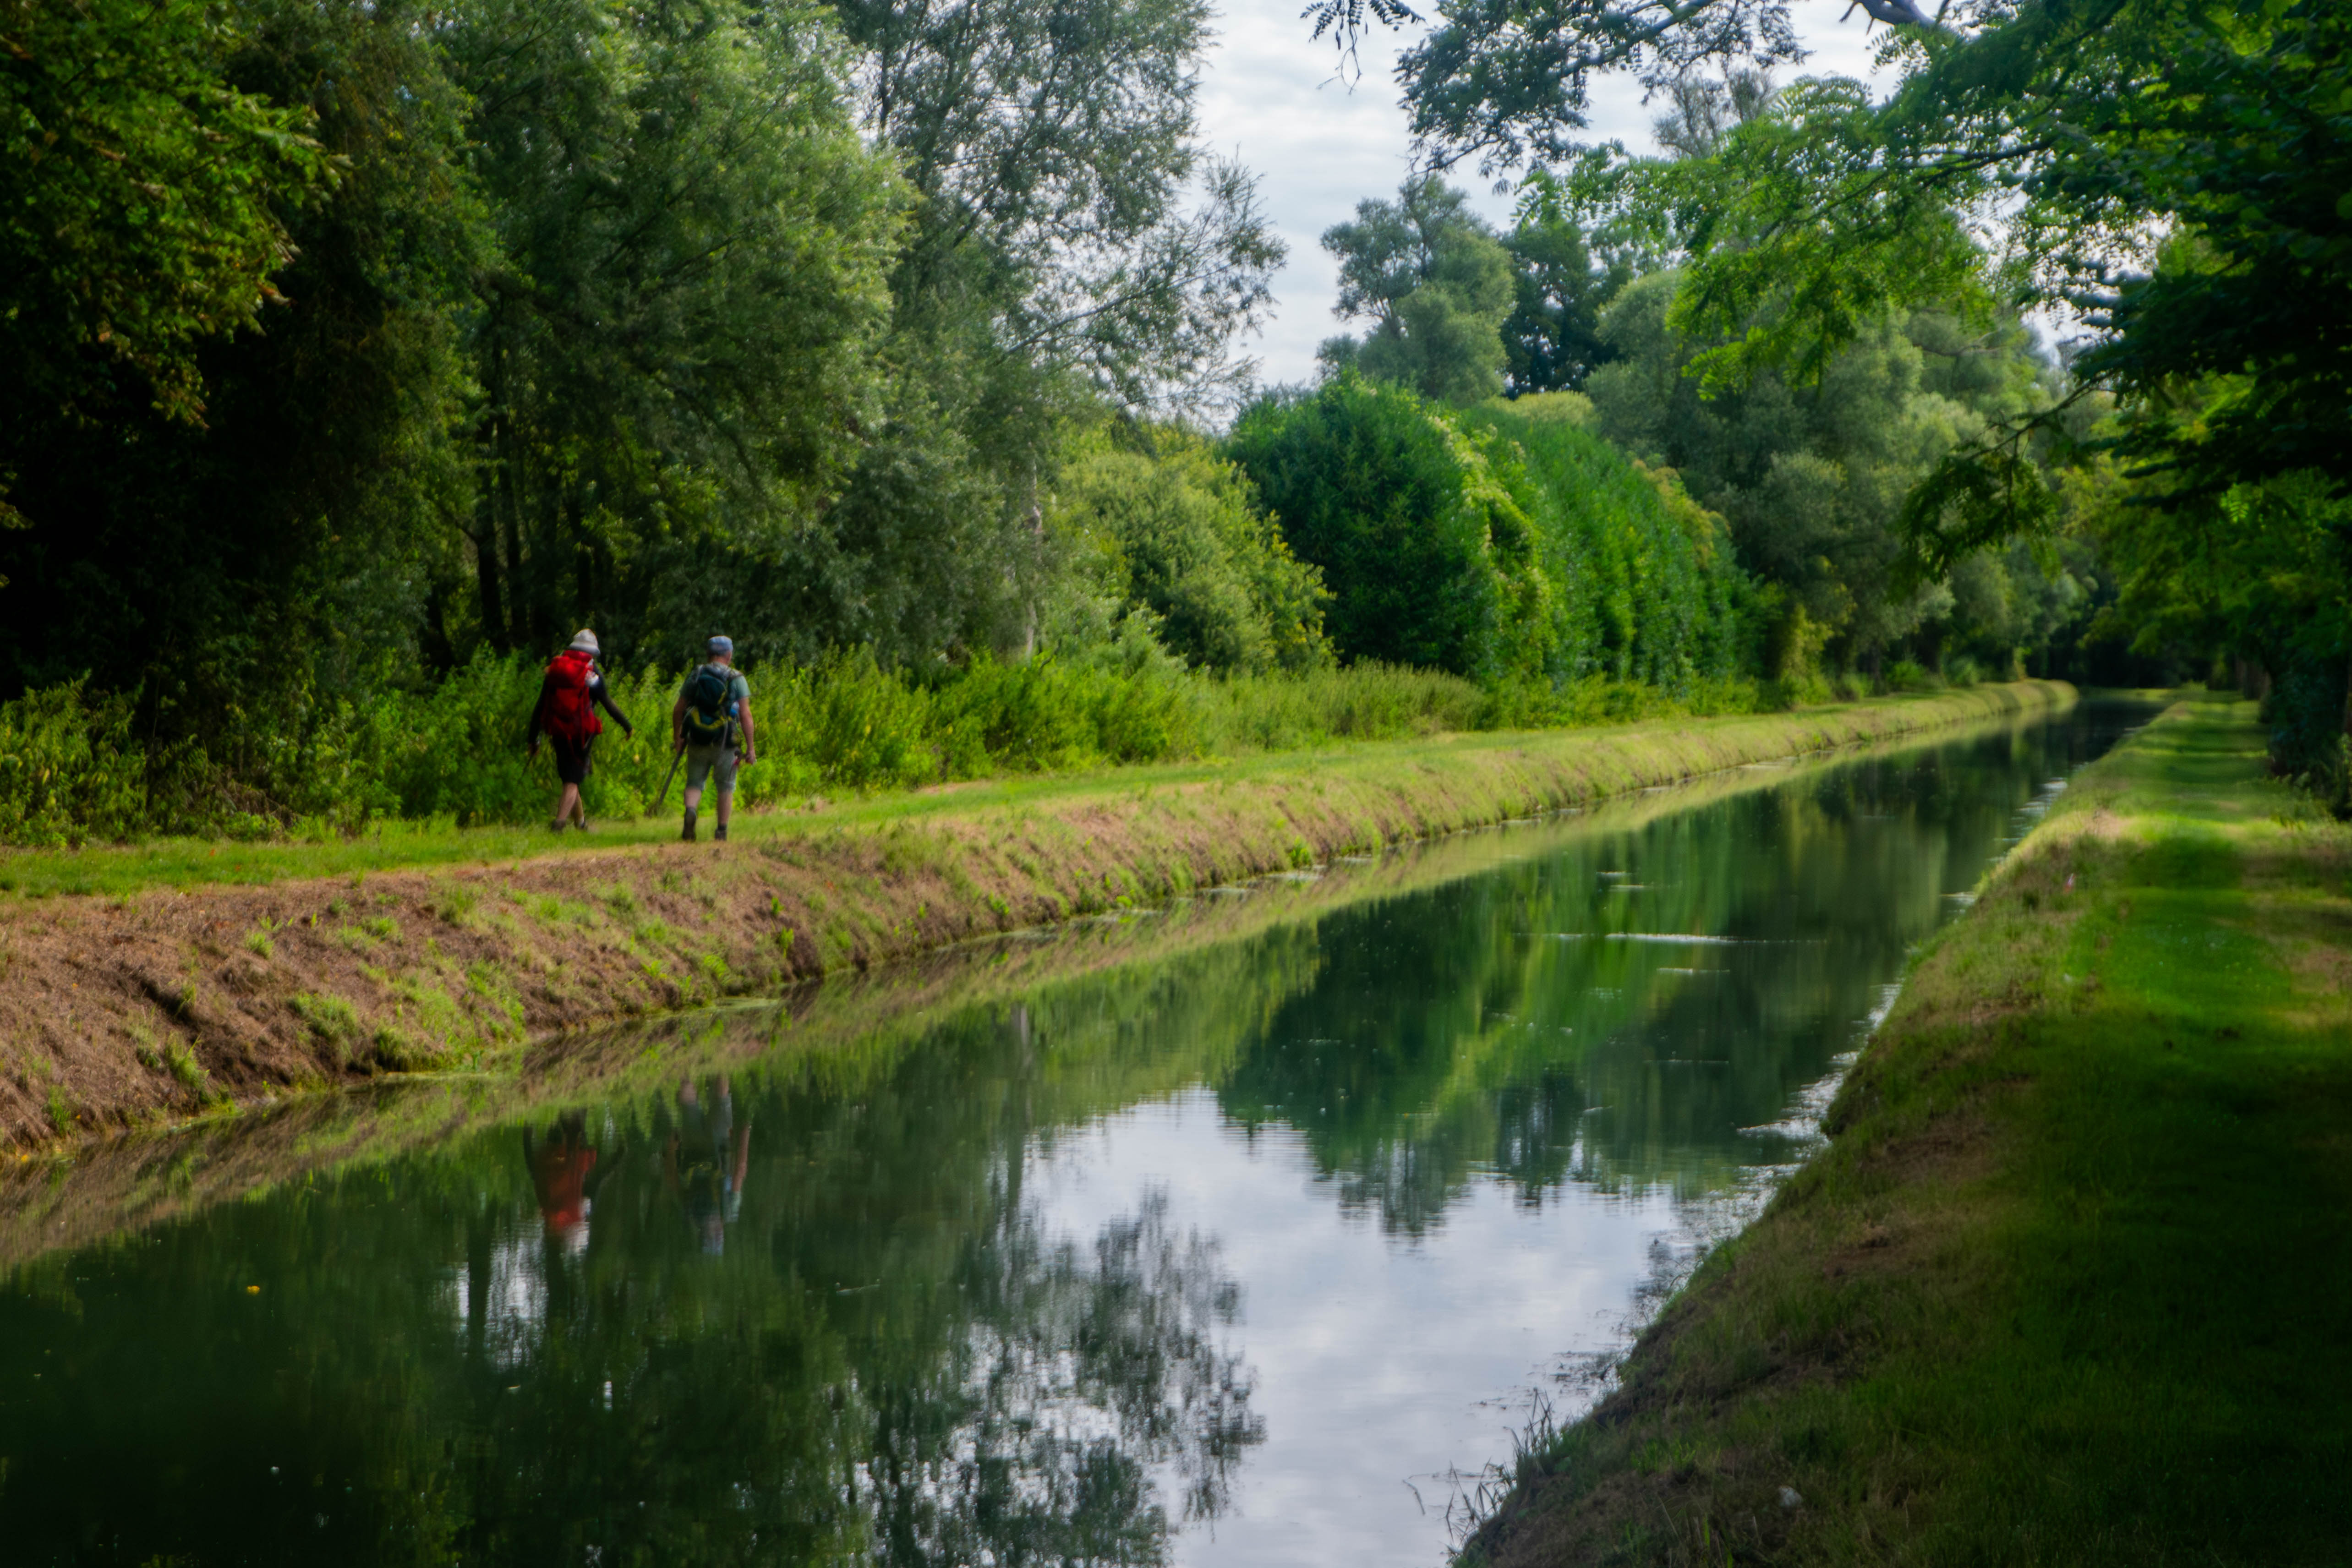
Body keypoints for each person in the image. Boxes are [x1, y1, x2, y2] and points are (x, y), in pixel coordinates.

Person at [526, 630, 634, 831]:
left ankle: (581, 823)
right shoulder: (592, 674)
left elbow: (542, 705)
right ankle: (558, 824)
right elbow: (608, 704)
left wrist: (534, 738)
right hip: (582, 733)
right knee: (573, 780)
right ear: (592, 652)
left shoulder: (556, 671)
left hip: (558, 730)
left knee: (571, 776)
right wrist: (627, 726)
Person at [670, 634, 755, 843]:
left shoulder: (697, 674)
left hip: (697, 737)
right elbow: (746, 715)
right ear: (729, 654)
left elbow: (679, 709)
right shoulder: (736, 678)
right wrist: (751, 748)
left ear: (709, 654)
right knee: (726, 787)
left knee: (694, 783)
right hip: (725, 742)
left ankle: (691, 811)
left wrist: (678, 736)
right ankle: (721, 832)